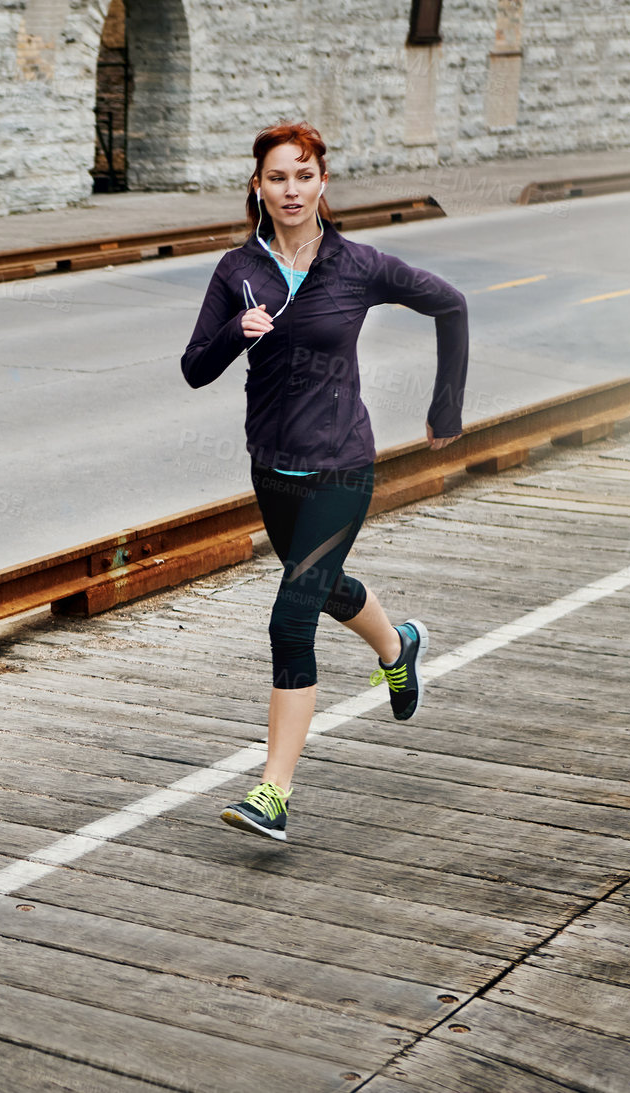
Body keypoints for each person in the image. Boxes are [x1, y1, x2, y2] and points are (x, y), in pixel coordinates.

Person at [180, 121, 468, 842]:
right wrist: (232, 334)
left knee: (291, 616)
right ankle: (399, 646)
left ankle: (273, 793)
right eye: (277, 177)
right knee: (326, 586)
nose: (291, 190)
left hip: (342, 465)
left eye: (303, 176)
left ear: (322, 184)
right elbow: (193, 368)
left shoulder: (356, 264)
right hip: (272, 468)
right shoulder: (236, 270)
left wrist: (445, 408)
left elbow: (450, 304)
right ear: (258, 186)